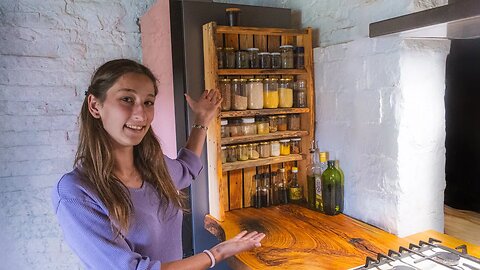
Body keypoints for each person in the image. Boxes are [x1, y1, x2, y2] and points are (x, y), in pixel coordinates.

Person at [51, 59, 265, 269]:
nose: (141, 114)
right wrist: (218, 252)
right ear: (95, 106)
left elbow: (186, 169)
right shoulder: (76, 192)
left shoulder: (153, 166)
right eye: (127, 99)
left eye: (148, 102)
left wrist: (202, 119)